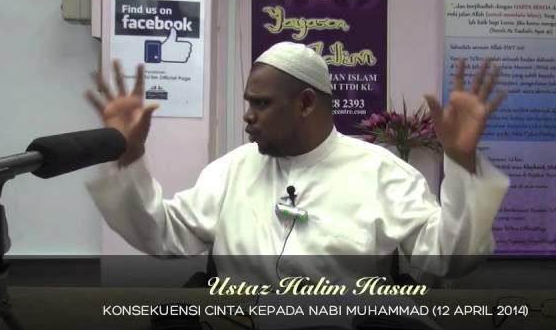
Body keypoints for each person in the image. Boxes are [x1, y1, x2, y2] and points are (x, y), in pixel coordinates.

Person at [85, 42, 509, 281]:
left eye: (261, 103)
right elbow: (162, 234)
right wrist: (130, 155)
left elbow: (450, 259)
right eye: (248, 102)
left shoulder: (382, 172)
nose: (247, 116)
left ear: (306, 103)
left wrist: (462, 163)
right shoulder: (230, 170)